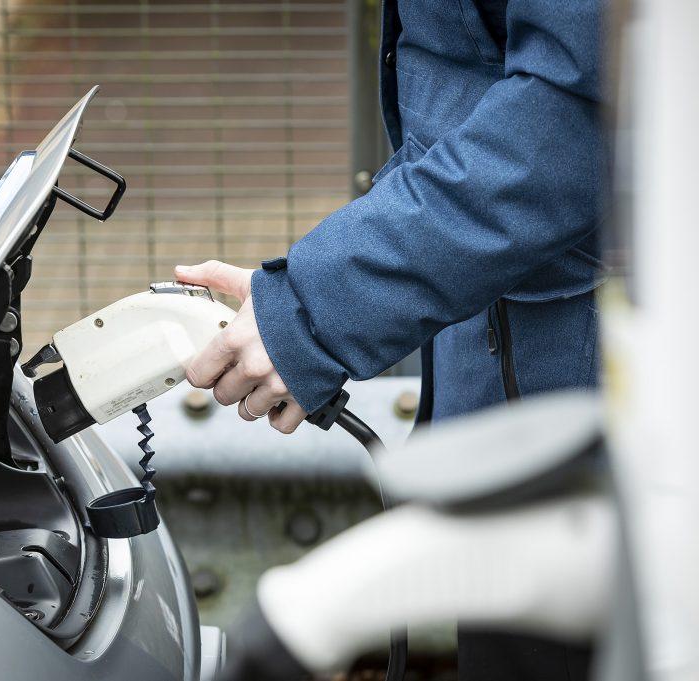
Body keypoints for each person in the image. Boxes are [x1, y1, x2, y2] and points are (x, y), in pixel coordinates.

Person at [175, 1, 604, 680]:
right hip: (494, 338)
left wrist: (315, 307)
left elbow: (577, 113)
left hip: (588, 376)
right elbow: (462, 88)